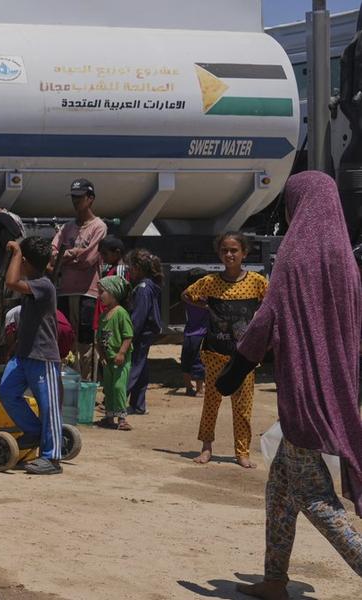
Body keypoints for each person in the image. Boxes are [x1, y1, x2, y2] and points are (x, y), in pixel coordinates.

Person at [213, 171, 362, 598]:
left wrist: (233, 371)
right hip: (337, 391)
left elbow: (267, 321)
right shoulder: (345, 260)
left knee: (317, 500)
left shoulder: (295, 256)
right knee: (280, 487)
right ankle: (275, 580)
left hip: (304, 396)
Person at [182, 232, 268, 468]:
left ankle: (242, 451)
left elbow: (271, 304)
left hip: (244, 356)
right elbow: (187, 295)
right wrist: (206, 306)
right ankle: (206, 447)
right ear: (219, 253)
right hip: (214, 353)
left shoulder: (257, 282)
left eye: (234, 250)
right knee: (211, 402)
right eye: (224, 250)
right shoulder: (210, 282)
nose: (229, 254)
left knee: (242, 406)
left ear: (244, 253)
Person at [0, 236, 63, 475]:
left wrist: (16, 253)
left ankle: (52, 457)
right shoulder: (35, 280)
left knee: (49, 406)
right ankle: (33, 430)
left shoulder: (43, 284)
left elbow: (11, 281)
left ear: (25, 261)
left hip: (43, 355)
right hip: (24, 353)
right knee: (6, 391)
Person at [50, 178, 107, 375]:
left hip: (88, 293)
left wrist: (65, 257)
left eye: (79, 197)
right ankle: (68, 385)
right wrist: (74, 253)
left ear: (90, 198)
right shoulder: (67, 227)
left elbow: (88, 260)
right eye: (73, 197)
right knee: (66, 339)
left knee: (86, 342)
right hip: (66, 291)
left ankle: (86, 386)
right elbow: (53, 254)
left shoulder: (98, 226)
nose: (75, 201)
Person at [125, 249, 163, 415]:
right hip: (146, 332)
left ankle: (116, 402)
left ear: (138, 268)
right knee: (141, 367)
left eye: (130, 267)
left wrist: (128, 335)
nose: (128, 271)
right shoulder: (148, 286)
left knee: (133, 366)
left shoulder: (143, 288)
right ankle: (138, 405)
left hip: (141, 333)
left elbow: (138, 316)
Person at [97, 275, 133, 431]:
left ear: (113, 292)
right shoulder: (104, 315)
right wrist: (103, 356)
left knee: (119, 387)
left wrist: (121, 353)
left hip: (120, 360)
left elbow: (128, 336)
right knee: (109, 388)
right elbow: (99, 339)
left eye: (102, 292)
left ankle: (122, 418)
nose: (99, 296)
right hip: (108, 360)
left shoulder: (121, 313)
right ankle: (109, 417)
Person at [180, 268, 209, 396]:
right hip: (201, 334)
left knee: (186, 361)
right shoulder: (205, 297)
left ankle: (188, 388)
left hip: (188, 333)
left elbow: (183, 295)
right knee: (199, 362)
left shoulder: (188, 297)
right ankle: (200, 389)